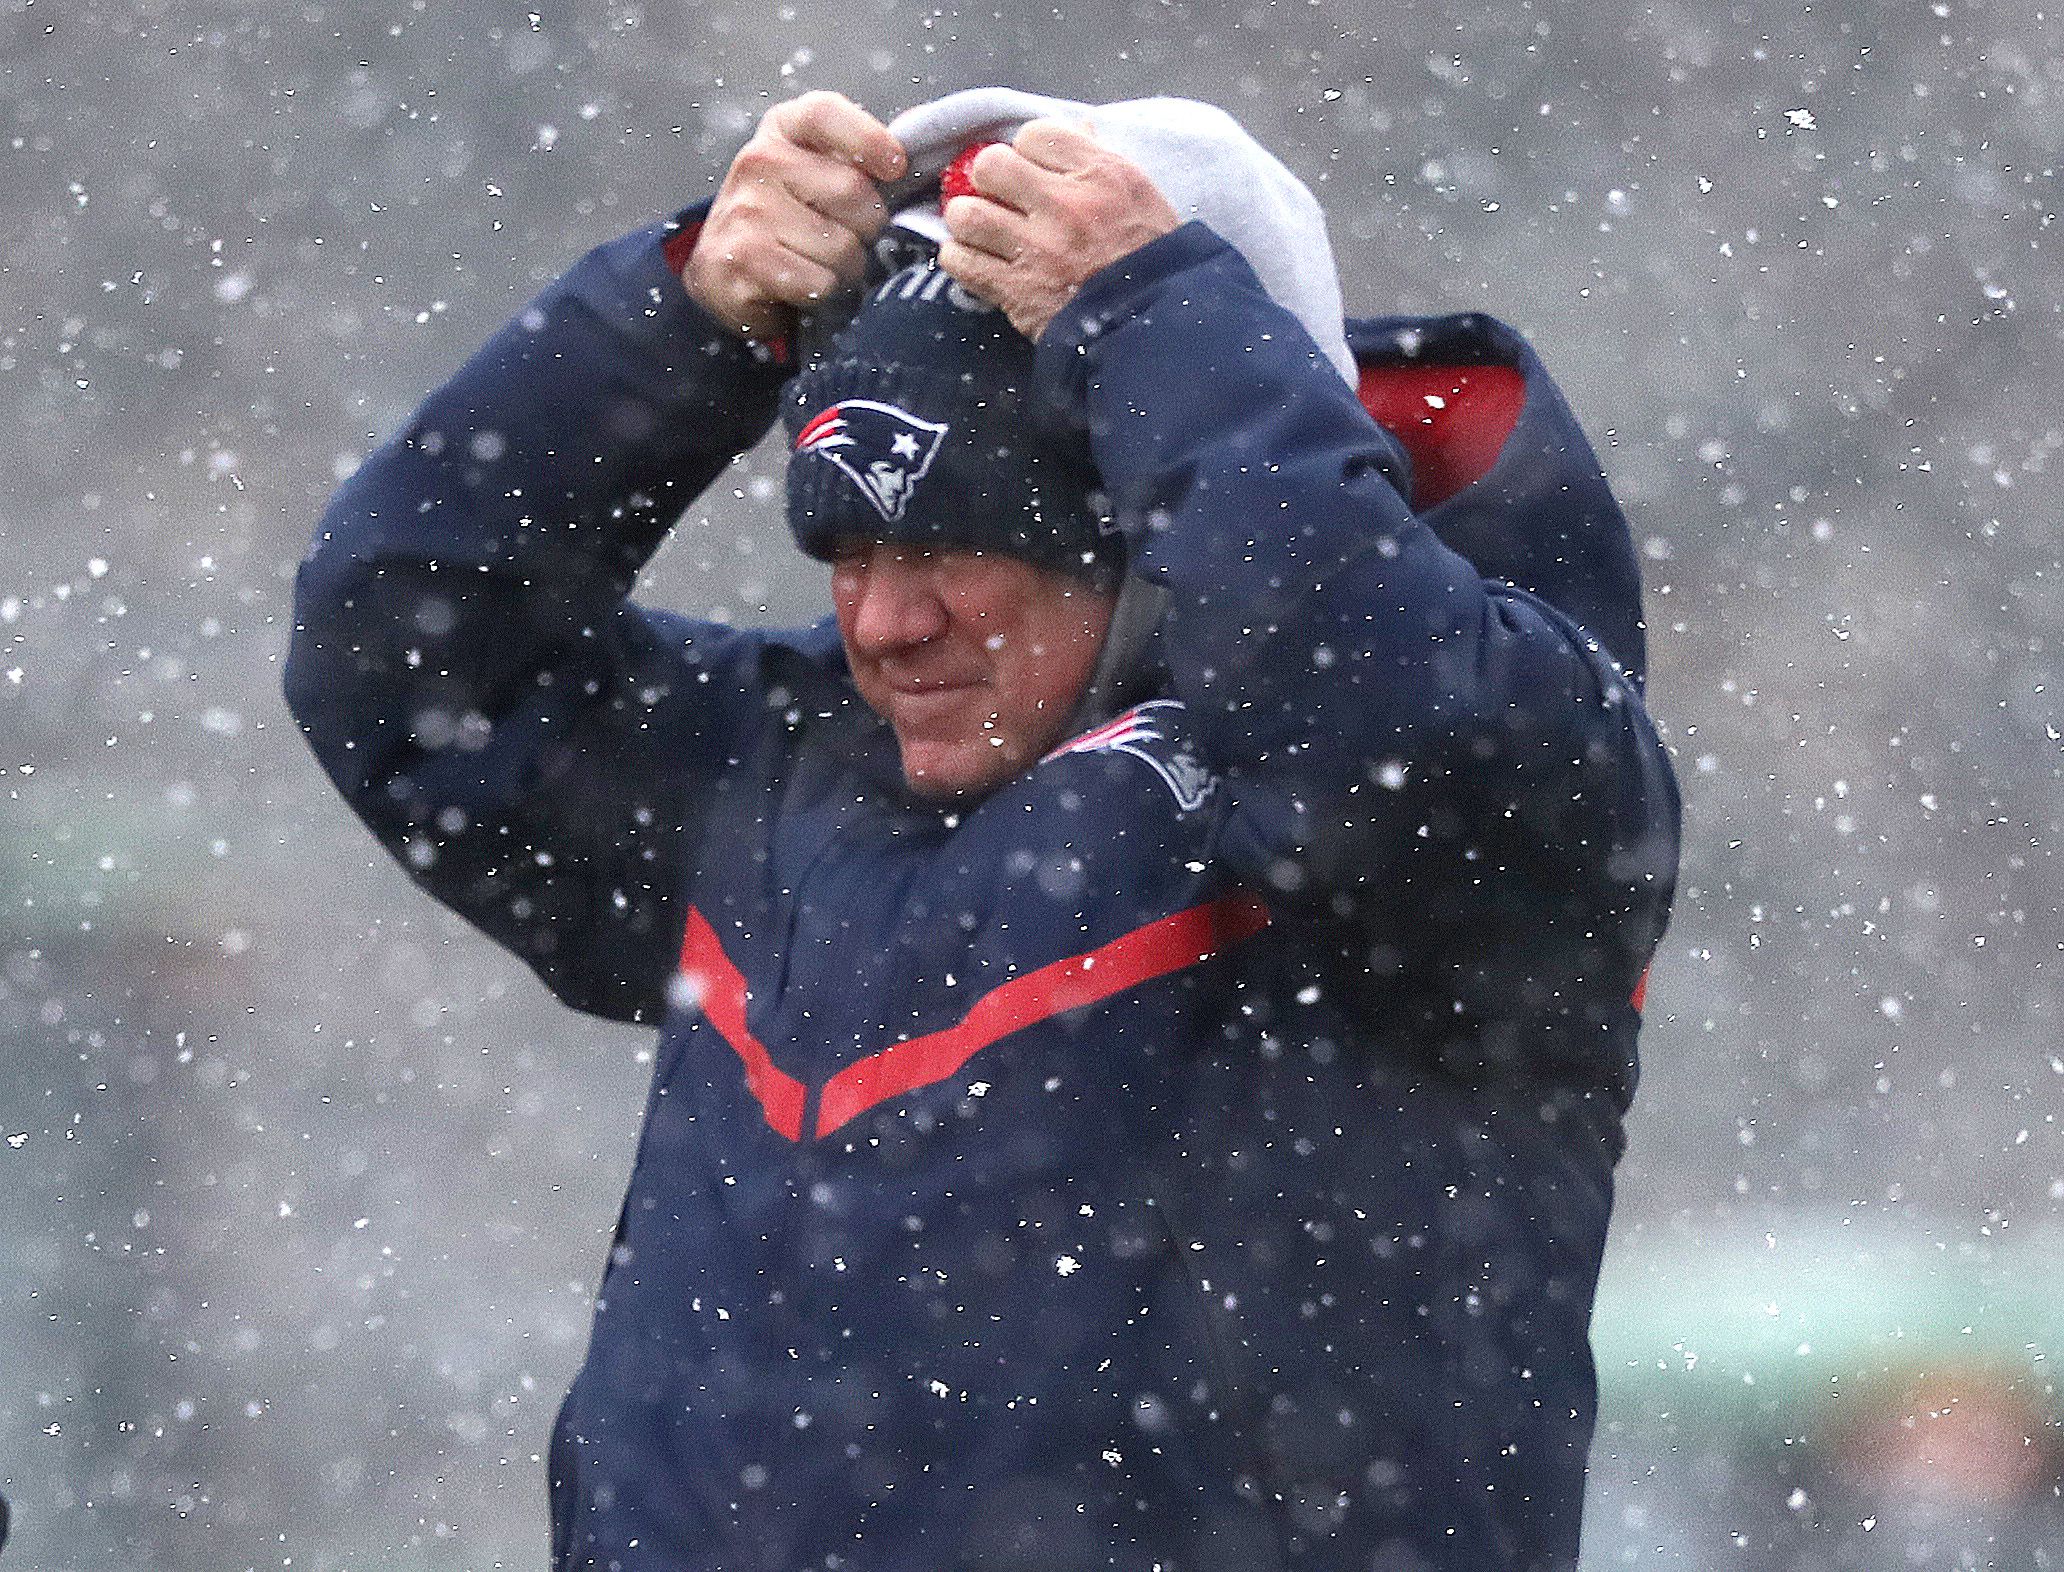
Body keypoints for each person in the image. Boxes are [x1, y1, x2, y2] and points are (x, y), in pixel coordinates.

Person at [286, 84, 1679, 1572]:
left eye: (956, 541)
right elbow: (402, 654)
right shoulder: (778, 775)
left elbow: (1379, 711)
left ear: (1153, 535)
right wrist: (683, 319)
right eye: (845, 544)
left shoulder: (1470, 794)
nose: (887, 619)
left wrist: (1154, 317)